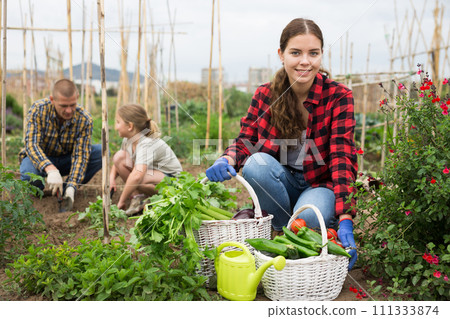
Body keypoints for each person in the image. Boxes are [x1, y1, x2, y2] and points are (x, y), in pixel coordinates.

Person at [206, 18, 358, 270]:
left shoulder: (339, 96)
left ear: (321, 55)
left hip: (319, 185)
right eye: (296, 53)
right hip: (281, 182)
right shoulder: (266, 95)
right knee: (256, 164)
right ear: (281, 54)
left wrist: (345, 217)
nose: (305, 61)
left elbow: (342, 157)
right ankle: (281, 230)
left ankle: (292, 229)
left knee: (309, 216)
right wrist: (228, 158)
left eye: (313, 53)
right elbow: (247, 140)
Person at [19, 79, 102, 211]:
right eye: (63, 106)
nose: (69, 110)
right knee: (30, 175)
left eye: (72, 105)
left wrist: (71, 186)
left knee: (100, 152)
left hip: (66, 160)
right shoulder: (38, 110)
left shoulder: (84, 119)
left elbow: (80, 156)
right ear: (52, 99)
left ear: (77, 98)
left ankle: (66, 188)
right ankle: (36, 195)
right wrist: (50, 168)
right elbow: (32, 145)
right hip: (42, 159)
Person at [110, 103, 182, 216]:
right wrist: (112, 178)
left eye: (118, 122)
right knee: (120, 157)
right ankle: (138, 198)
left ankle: (162, 200)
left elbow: (137, 175)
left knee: (138, 177)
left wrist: (121, 201)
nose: (116, 127)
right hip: (153, 175)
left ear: (130, 126)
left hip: (173, 180)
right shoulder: (128, 139)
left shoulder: (146, 143)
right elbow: (117, 162)